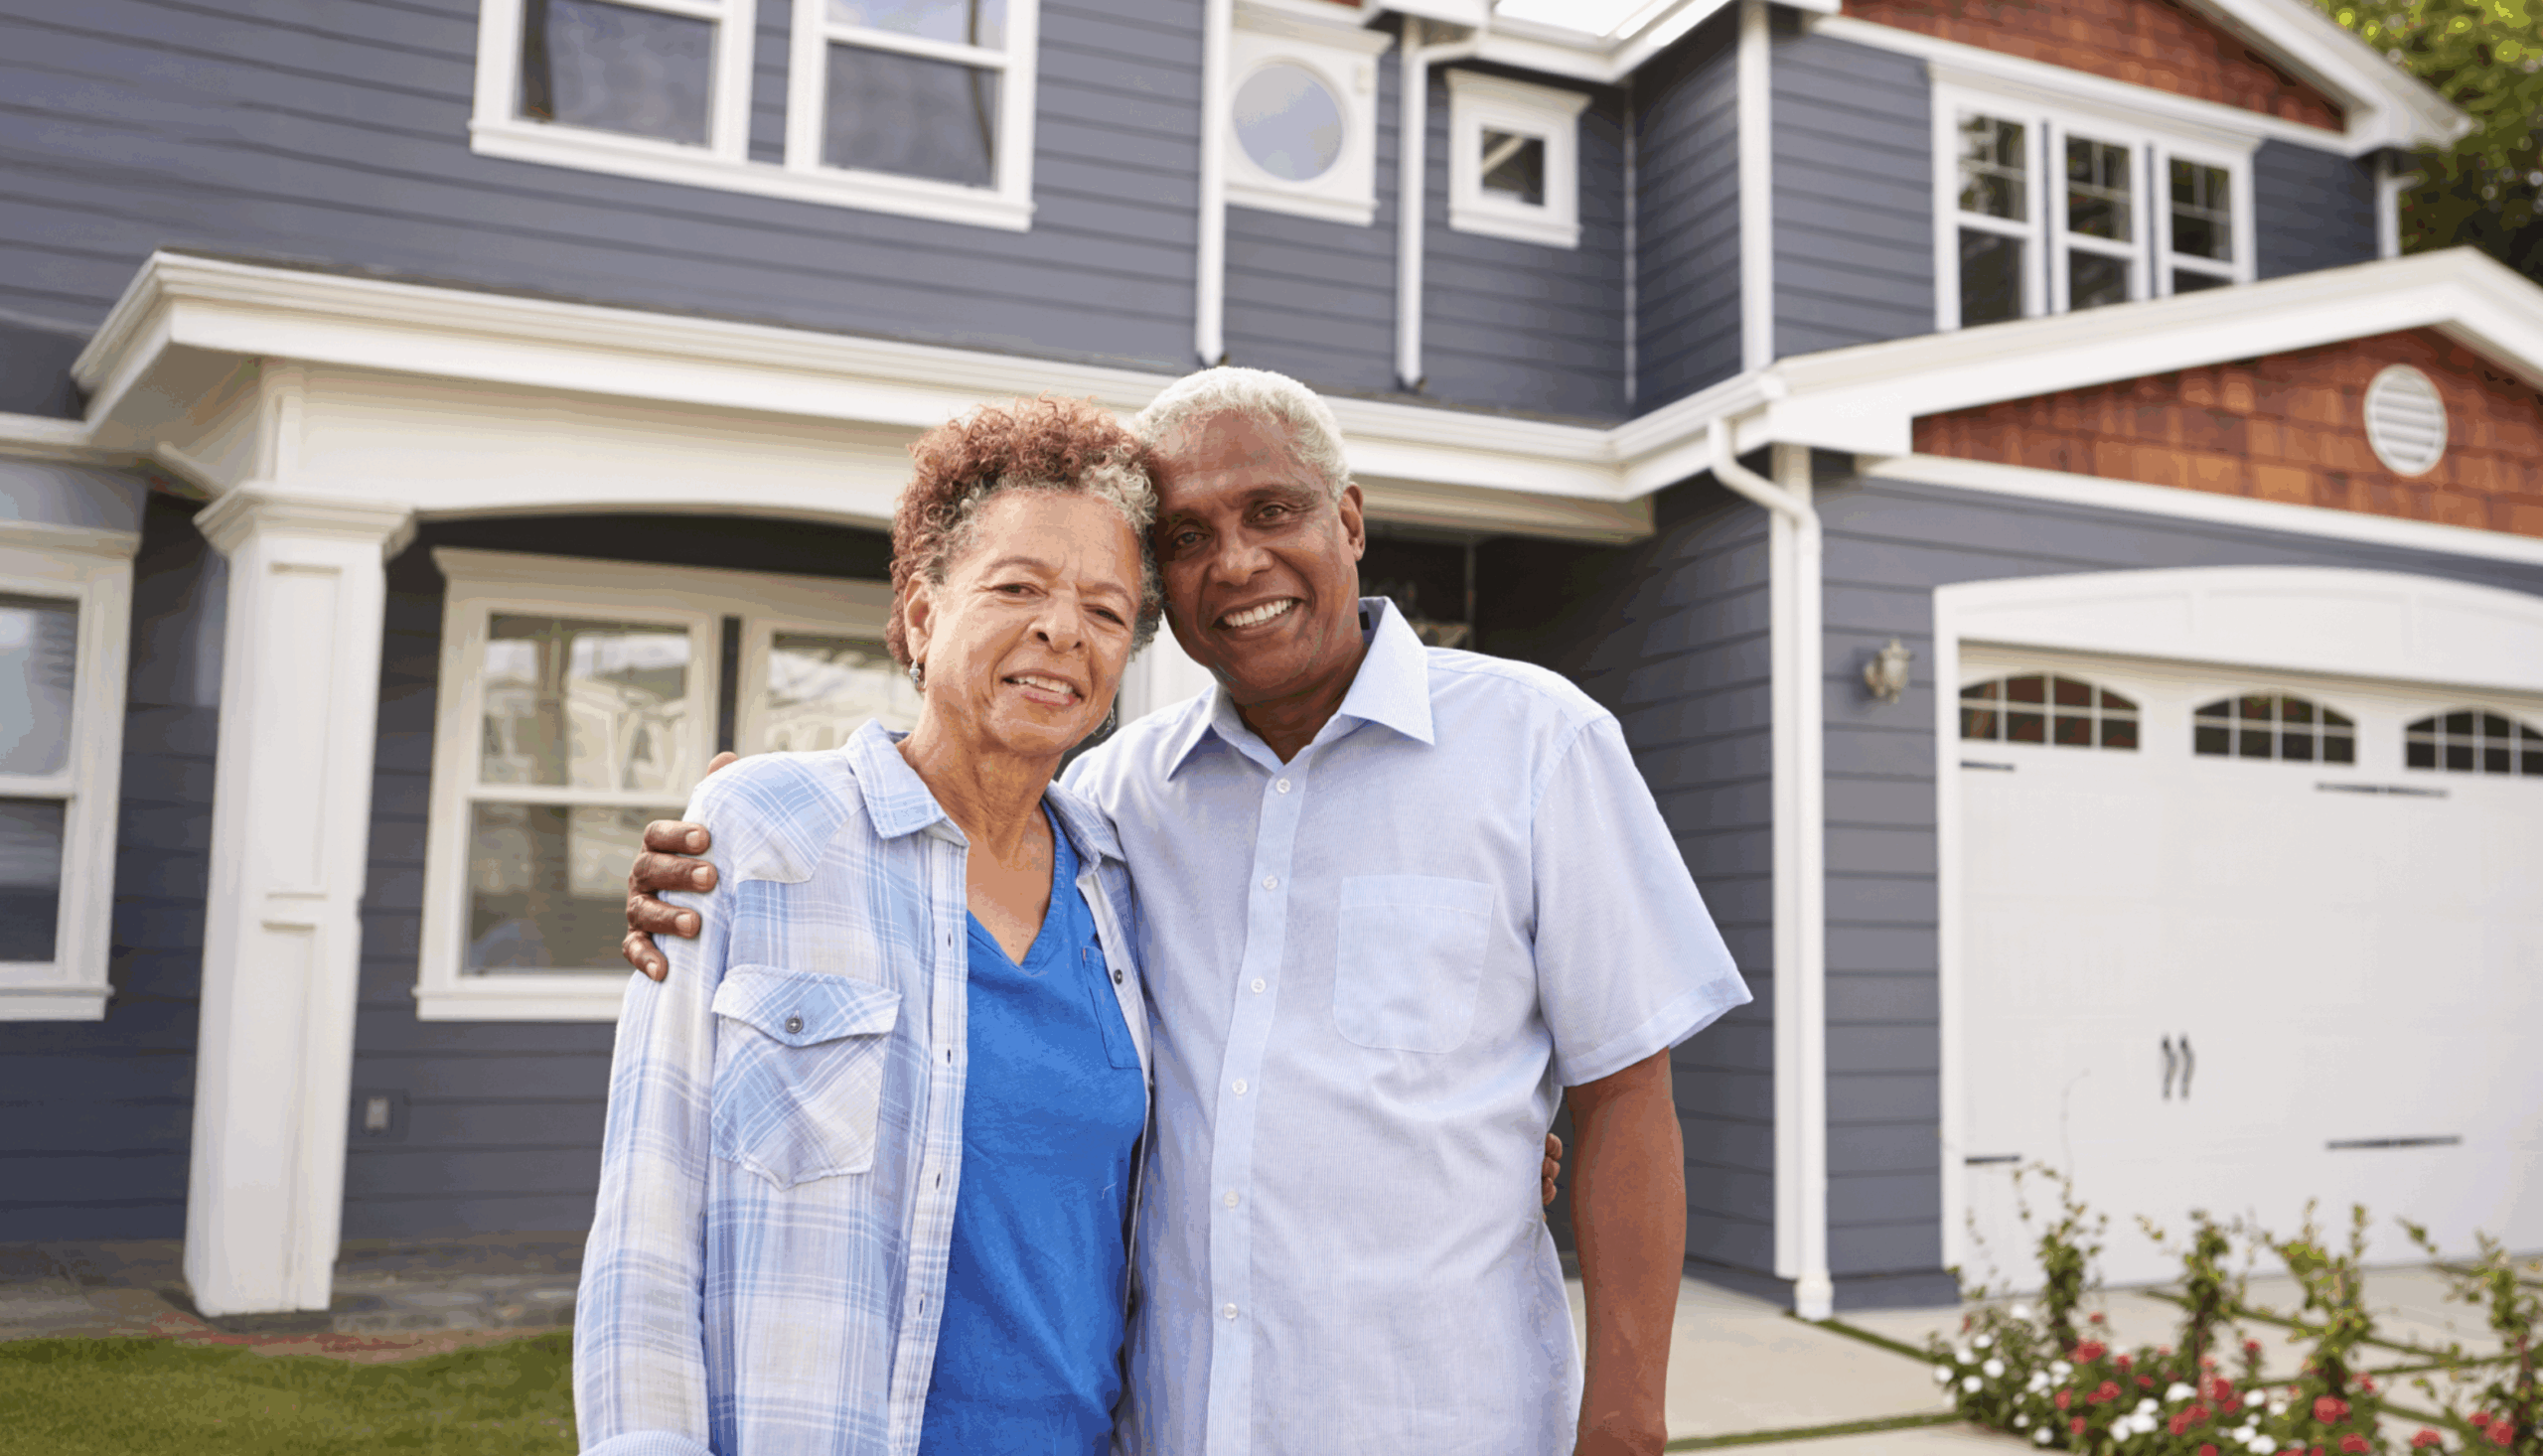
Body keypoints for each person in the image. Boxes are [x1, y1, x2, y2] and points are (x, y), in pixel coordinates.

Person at [625, 368, 1751, 1456]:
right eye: (1186, 536)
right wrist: (766, 825)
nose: (1237, 561)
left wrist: (1623, 1423)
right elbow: (948, 822)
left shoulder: (1538, 743)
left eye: (1272, 511)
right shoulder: (1118, 802)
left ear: (1349, 519)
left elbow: (1624, 1093)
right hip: (1172, 1425)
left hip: (1443, 1417)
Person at [575, 396, 1165, 1456]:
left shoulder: (1123, 889)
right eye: (1017, 587)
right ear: (923, 614)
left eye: (1106, 610)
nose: (1063, 629)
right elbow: (645, 1219)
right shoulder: (763, 831)